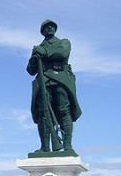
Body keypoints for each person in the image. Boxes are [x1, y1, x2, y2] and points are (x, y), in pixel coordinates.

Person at [27, 19, 81, 155]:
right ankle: (45, 147)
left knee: (64, 111)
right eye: (46, 27)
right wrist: (34, 58)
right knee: (43, 115)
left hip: (60, 80)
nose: (49, 28)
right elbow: (30, 70)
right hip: (43, 82)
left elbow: (62, 53)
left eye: (52, 26)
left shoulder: (63, 42)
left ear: (55, 29)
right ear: (42, 31)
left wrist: (43, 52)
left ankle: (67, 145)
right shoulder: (37, 48)